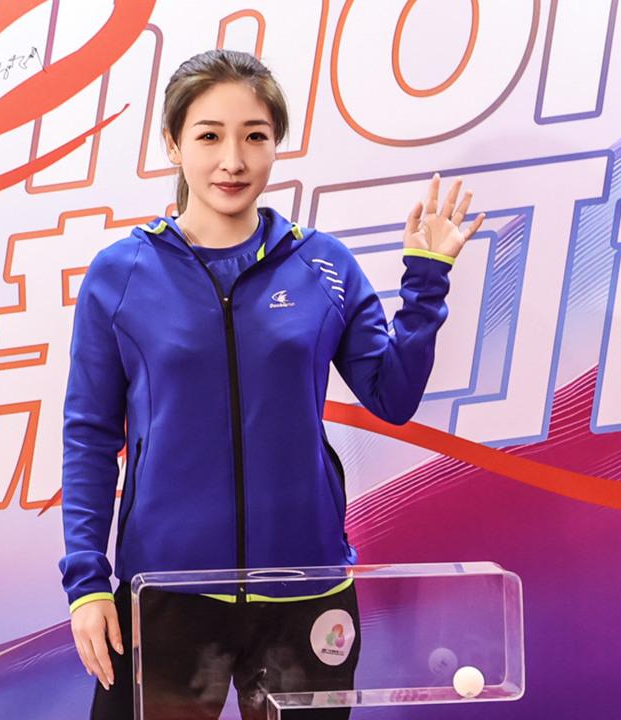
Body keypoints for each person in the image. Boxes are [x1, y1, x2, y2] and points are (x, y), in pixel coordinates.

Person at [60, 48, 485, 720]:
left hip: (305, 591)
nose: (233, 160)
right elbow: (88, 435)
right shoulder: (122, 273)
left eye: (254, 136)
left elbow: (393, 397)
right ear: (172, 143)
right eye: (209, 136)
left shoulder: (322, 264)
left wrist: (426, 281)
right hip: (166, 591)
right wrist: (87, 584)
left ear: (276, 144)